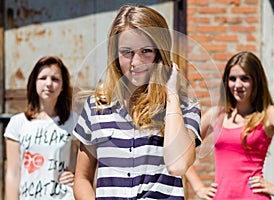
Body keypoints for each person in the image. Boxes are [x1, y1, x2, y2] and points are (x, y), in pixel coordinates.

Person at [72, 4, 201, 199]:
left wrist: (172, 95)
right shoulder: (95, 106)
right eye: (127, 52)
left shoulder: (184, 106)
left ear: (160, 53)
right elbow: (82, 178)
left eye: (146, 51)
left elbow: (179, 165)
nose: (136, 62)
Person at [186, 51, 274, 200]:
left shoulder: (268, 115)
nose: (237, 85)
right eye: (232, 79)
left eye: (244, 79)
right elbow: (179, 151)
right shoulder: (216, 115)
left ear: (256, 81)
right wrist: (198, 187)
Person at [4, 56, 78, 200]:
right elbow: (12, 173)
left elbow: (88, 163)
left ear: (63, 86)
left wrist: (76, 177)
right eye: (43, 78)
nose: (49, 83)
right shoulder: (17, 123)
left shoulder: (73, 121)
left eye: (55, 79)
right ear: (34, 83)